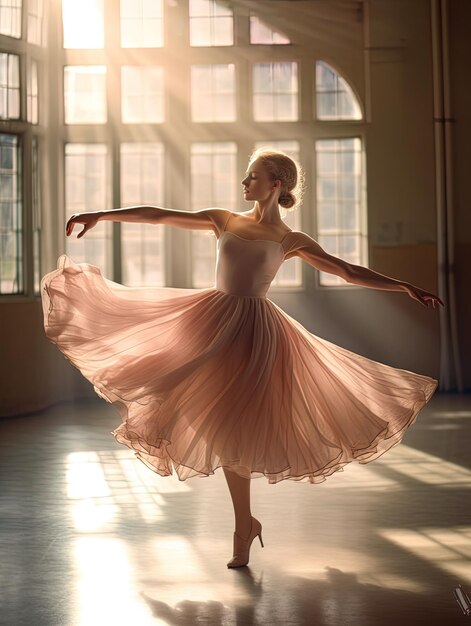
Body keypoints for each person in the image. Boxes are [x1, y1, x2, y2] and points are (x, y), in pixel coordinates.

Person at [41, 148, 444, 569]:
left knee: (236, 429)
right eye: (245, 176)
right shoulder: (225, 220)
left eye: (253, 176)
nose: (244, 183)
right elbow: (160, 215)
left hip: (256, 334)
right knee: (206, 417)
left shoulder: (291, 240)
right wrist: (102, 215)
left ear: (276, 185)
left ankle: (241, 527)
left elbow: (346, 272)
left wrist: (403, 286)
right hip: (210, 323)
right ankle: (245, 524)